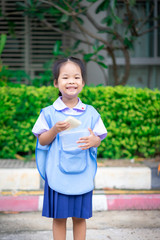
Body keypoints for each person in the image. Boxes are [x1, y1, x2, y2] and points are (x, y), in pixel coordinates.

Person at [32, 57, 107, 240]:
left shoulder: (91, 112)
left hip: (82, 174)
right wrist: (54, 130)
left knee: (80, 218)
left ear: (83, 83)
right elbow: (42, 141)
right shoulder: (48, 112)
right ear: (56, 83)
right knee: (59, 218)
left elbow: (99, 138)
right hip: (58, 175)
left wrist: (93, 141)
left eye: (76, 77)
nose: (71, 81)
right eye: (65, 77)